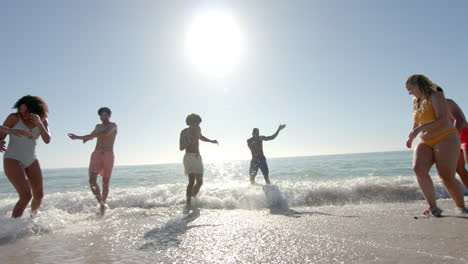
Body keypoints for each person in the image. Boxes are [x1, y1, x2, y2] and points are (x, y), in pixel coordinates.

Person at [405, 74, 467, 216]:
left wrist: (419, 128)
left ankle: (461, 206)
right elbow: (417, 120)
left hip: (445, 137)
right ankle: (433, 207)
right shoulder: (416, 100)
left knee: (446, 175)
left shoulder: (436, 95)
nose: (409, 92)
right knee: (418, 169)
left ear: (418, 84)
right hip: (425, 140)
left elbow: (442, 119)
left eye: (410, 88)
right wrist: (412, 136)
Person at [0, 95, 51, 218]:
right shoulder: (14, 118)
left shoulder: (43, 120)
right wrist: (4, 137)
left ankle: (31, 220)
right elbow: (1, 135)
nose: (22, 114)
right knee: (26, 195)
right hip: (12, 158)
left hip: (31, 159)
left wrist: (39, 123)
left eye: (26, 111)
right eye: (20, 110)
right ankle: (12, 229)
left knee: (39, 195)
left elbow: (47, 139)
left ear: (35, 110)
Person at [68, 107, 117, 215]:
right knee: (92, 180)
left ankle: (103, 204)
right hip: (97, 154)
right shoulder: (98, 126)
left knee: (105, 183)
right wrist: (78, 137)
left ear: (109, 115)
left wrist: (87, 136)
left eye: (105, 115)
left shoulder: (113, 125)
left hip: (108, 155)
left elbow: (105, 134)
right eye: (101, 115)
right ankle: (101, 203)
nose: (103, 117)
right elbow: (90, 137)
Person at [179, 113, 218, 209]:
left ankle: (192, 198)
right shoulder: (184, 132)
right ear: (191, 123)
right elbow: (180, 147)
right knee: (191, 181)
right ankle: (188, 203)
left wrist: (211, 141)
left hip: (198, 157)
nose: (198, 125)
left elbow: (200, 137)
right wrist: (187, 143)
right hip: (189, 157)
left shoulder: (198, 129)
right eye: (196, 123)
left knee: (200, 182)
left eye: (199, 124)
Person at [446, 99, 468, 188]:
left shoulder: (446, 102)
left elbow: (460, 120)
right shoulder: (433, 107)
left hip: (464, 135)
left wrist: (453, 138)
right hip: (455, 139)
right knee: (459, 169)